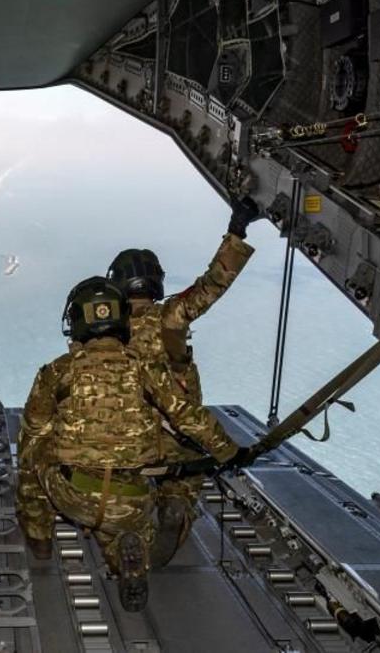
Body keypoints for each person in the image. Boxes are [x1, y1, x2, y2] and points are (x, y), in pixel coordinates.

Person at [15, 277, 246, 612]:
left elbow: (31, 439)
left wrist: (36, 514)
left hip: (72, 495)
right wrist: (232, 452)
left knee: (37, 457)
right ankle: (133, 547)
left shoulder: (56, 372)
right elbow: (187, 416)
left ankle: (39, 541)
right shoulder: (144, 368)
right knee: (120, 526)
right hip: (132, 497)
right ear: (121, 320)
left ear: (77, 322)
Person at [105, 198, 260, 566]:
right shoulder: (171, 317)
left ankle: (129, 520)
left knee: (125, 488)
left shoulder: (105, 328)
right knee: (183, 482)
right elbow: (213, 283)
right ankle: (175, 504)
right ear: (155, 281)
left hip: (128, 439)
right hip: (180, 434)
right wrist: (237, 231)